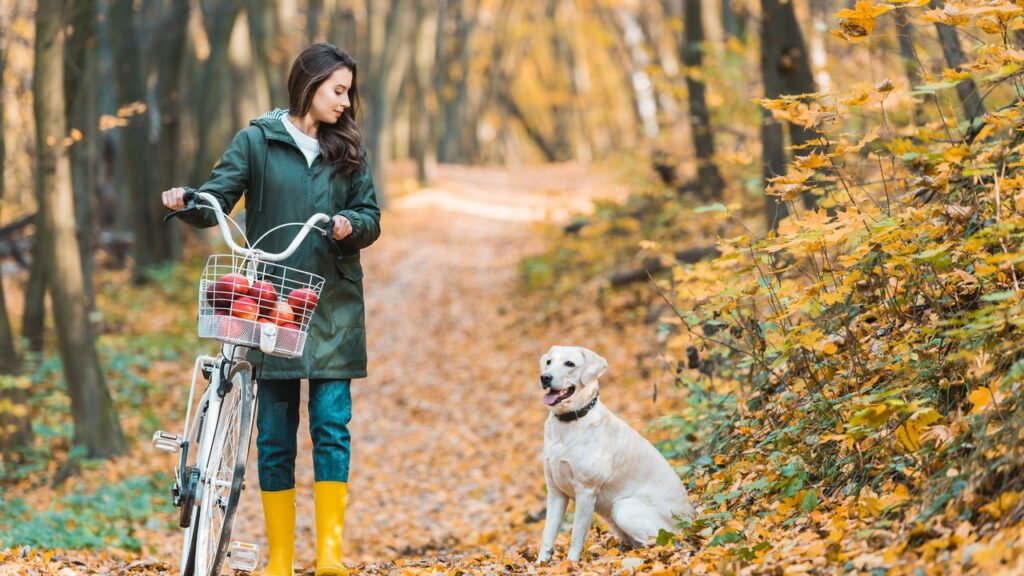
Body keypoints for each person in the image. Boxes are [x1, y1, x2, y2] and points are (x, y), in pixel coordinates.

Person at [161, 43, 380, 576]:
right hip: (269, 307)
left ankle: (329, 557)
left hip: (332, 307)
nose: (345, 103)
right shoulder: (257, 141)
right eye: (338, 91)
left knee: (331, 426)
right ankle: (280, 559)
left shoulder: (347, 149)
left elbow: (370, 214)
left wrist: (353, 225)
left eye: (349, 93)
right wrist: (187, 202)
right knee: (275, 436)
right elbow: (217, 197)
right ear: (310, 84)